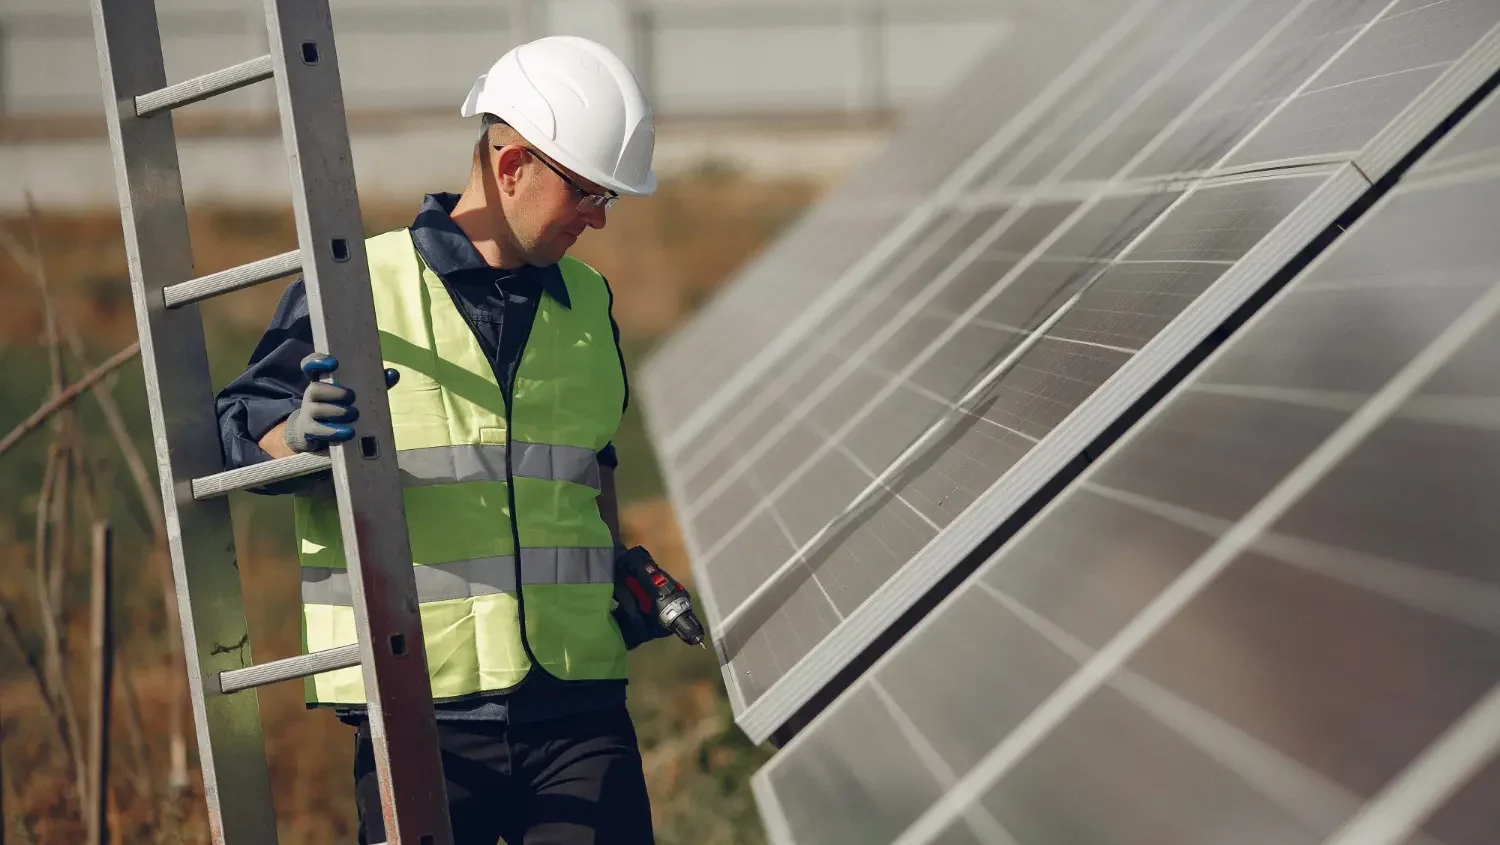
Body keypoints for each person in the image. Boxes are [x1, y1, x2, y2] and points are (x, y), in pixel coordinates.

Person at [214, 35, 671, 845]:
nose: (599, 219)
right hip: (418, 710)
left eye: (610, 198)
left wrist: (615, 563)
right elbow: (234, 435)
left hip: (578, 704)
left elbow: (588, 464)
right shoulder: (358, 289)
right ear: (512, 166)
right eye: (587, 193)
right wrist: (294, 436)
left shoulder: (589, 303)